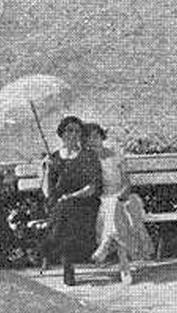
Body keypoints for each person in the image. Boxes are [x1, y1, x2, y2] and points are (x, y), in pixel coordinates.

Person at [84, 122, 154, 285]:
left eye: (96, 137)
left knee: (116, 207)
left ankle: (106, 243)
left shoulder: (115, 154)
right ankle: (124, 268)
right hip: (104, 201)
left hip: (127, 198)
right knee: (115, 211)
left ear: (102, 137)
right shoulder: (87, 161)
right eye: (89, 138)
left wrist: (121, 195)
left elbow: (127, 183)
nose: (93, 141)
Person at [42, 115, 102, 285]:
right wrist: (47, 170)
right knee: (63, 210)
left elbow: (92, 188)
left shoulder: (88, 156)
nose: (73, 134)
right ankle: (67, 263)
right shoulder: (53, 158)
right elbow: (47, 192)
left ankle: (53, 248)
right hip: (59, 205)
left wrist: (71, 196)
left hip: (84, 202)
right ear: (61, 133)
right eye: (69, 130)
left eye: (77, 131)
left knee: (66, 209)